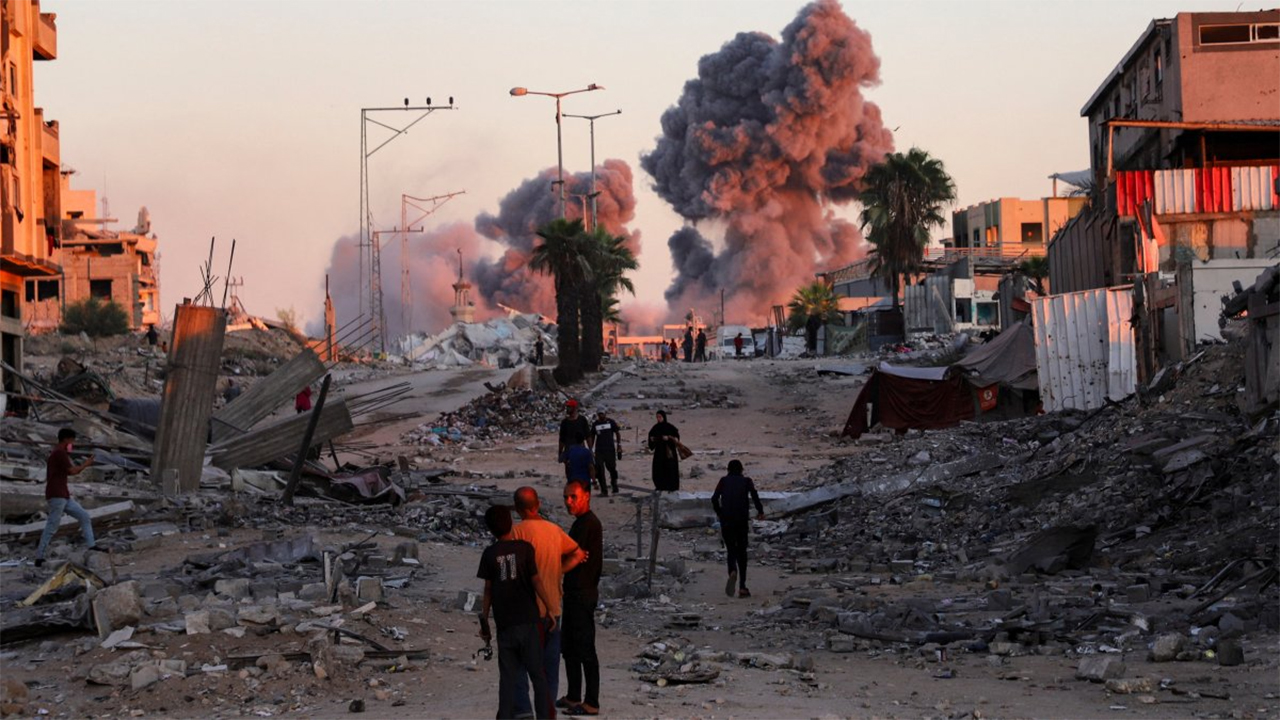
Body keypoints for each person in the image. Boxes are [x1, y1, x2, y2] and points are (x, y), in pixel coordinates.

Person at [510, 487, 587, 719]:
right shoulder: (554, 531)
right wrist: (557, 571)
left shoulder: (515, 533)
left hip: (524, 612)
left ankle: (524, 711)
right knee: (549, 668)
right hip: (552, 609)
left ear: (517, 509)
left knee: (518, 665)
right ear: (538, 505)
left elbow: (508, 572)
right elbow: (578, 554)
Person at [478, 506, 557, 720]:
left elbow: (488, 590)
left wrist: (485, 621)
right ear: (511, 524)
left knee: (507, 680)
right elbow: (536, 581)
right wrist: (549, 608)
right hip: (529, 622)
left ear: (490, 529)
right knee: (538, 676)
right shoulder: (525, 549)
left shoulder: (489, 554)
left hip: (505, 625)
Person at [559, 480, 603, 716]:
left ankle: (591, 702)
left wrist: (556, 568)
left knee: (585, 648)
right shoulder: (580, 523)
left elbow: (575, 555)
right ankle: (574, 695)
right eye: (566, 497)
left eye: (573, 497)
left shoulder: (589, 524)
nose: (568, 502)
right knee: (570, 647)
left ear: (586, 496)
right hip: (574, 592)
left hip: (583, 593)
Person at [34, 428, 99, 567]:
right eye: (72, 440)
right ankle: (39, 557)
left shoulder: (58, 453)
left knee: (84, 516)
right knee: (52, 526)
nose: (72, 444)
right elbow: (73, 471)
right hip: (57, 495)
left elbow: (67, 472)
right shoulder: (59, 453)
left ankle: (92, 546)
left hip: (63, 495)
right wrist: (86, 464)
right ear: (66, 439)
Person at [711, 460, 766, 599]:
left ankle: (732, 571)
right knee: (742, 552)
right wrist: (760, 511)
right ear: (741, 469)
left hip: (726, 521)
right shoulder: (747, 481)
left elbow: (714, 498)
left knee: (731, 550)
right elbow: (755, 495)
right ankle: (742, 587)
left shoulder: (723, 481)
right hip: (741, 521)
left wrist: (720, 512)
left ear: (728, 469)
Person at [589, 408, 622, 496]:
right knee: (600, 470)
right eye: (599, 414)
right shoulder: (595, 424)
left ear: (605, 414)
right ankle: (604, 490)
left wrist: (619, 445)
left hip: (610, 449)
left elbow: (617, 433)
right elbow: (592, 436)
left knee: (612, 468)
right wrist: (591, 449)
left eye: (602, 414)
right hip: (599, 450)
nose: (601, 415)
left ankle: (614, 485)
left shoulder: (611, 422)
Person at [646, 410, 681, 492]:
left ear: (664, 417)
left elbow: (676, 438)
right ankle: (660, 486)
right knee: (658, 469)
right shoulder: (655, 428)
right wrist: (653, 440)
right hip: (659, 452)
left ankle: (671, 486)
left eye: (660, 417)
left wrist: (668, 438)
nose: (658, 419)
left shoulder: (670, 427)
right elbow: (651, 438)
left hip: (669, 452)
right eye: (657, 417)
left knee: (671, 469)